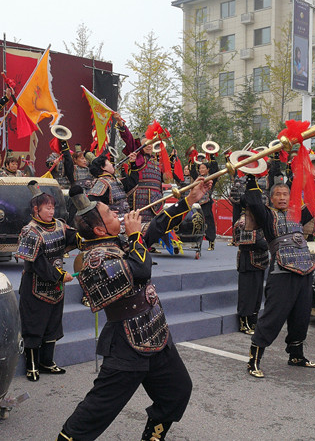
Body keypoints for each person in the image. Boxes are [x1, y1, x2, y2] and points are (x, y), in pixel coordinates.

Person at [58, 178, 212, 441]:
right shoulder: (96, 258)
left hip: (155, 332)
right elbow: (140, 270)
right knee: (96, 411)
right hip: (126, 343)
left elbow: (156, 227)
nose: (117, 212)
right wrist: (133, 235)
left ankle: (153, 437)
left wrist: (190, 199)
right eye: (109, 213)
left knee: (177, 391)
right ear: (98, 229)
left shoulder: (117, 240)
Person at [243, 180, 315, 378]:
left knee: (301, 317)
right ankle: (254, 360)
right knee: (272, 317)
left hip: (305, 269)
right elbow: (253, 201)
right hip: (282, 272)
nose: (283, 197)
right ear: (271, 198)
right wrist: (252, 178)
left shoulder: (297, 214)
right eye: (278, 194)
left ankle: (296, 355)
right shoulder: (267, 216)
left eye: (286, 194)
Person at [15, 181, 78, 381]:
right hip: (35, 286)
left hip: (56, 287)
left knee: (52, 324)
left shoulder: (60, 224)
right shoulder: (30, 231)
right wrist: (59, 276)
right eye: (47, 207)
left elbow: (73, 238)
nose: (51, 211)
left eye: (52, 207)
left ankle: (47, 361)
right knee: (34, 325)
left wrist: (87, 237)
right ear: (36, 209)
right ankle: (32, 364)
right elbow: (37, 264)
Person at [233, 174, 269, 335]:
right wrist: (261, 242)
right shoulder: (243, 219)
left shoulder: (264, 216)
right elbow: (238, 238)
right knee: (246, 293)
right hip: (248, 259)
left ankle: (253, 321)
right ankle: (243, 323)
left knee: (256, 294)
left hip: (261, 259)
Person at [193, 158, 219, 250]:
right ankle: (195, 241)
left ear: (208, 169)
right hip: (196, 203)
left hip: (206, 202)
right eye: (200, 168)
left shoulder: (211, 178)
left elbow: (216, 170)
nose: (201, 170)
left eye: (203, 168)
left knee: (208, 222)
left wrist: (212, 157)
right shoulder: (197, 177)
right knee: (196, 221)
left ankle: (211, 241)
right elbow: (192, 169)